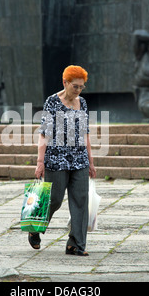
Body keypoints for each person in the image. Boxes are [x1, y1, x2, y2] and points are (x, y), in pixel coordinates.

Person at [32, 65, 96, 256]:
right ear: (65, 83)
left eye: (81, 87)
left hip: (79, 160)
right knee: (54, 200)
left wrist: (91, 162)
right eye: (75, 86)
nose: (78, 90)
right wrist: (40, 162)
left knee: (80, 201)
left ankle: (76, 243)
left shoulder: (82, 103)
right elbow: (44, 134)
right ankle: (35, 228)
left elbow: (86, 134)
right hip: (56, 160)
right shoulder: (52, 102)